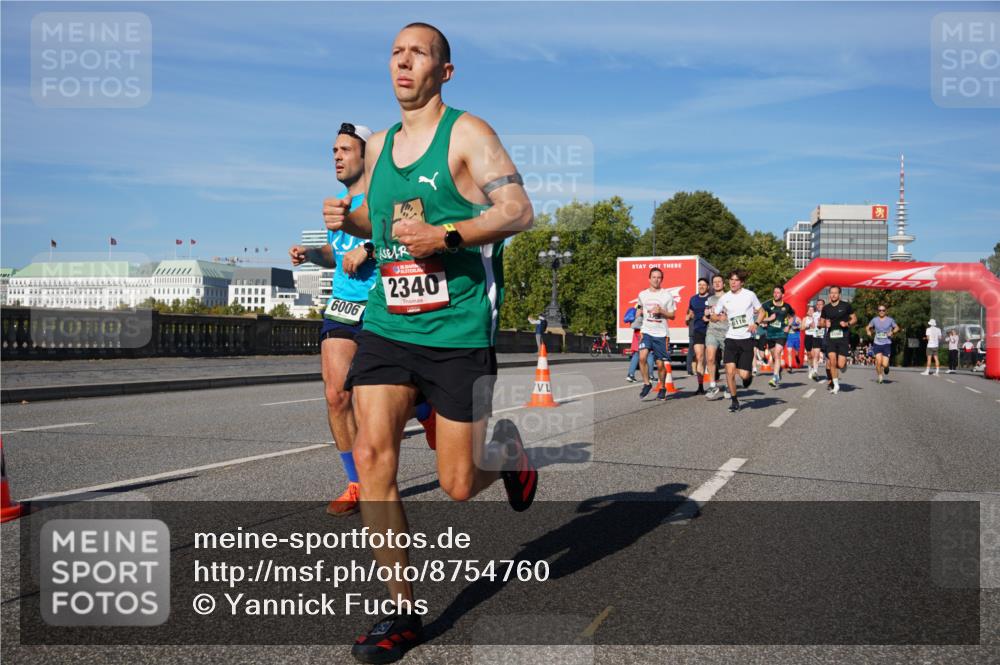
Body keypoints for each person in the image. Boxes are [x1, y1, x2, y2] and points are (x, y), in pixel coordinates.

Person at [322, 23, 536, 664]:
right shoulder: (380, 145)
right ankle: (402, 612)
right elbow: (379, 218)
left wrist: (446, 237)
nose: (403, 62)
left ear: (444, 71)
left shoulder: (467, 134)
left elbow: (519, 211)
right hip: (388, 324)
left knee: (459, 484)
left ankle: (510, 455)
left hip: (458, 332)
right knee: (372, 452)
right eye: (396, 53)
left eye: (419, 53)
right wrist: (348, 219)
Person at [290, 122, 434, 517]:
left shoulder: (388, 193)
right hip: (342, 303)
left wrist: (370, 249)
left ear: (366, 155)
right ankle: (357, 484)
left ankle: (424, 407)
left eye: (344, 150)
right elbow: (337, 254)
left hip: (381, 304)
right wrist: (311, 254)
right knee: (337, 396)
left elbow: (412, 229)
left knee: (378, 402)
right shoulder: (338, 203)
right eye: (333, 150)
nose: (336, 156)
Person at [711, 269, 762, 412]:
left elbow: (762, 311)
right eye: (731, 280)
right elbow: (714, 316)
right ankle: (734, 401)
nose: (733, 282)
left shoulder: (750, 295)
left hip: (746, 339)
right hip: (731, 338)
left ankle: (748, 376)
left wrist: (756, 324)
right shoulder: (724, 298)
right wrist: (718, 317)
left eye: (736, 280)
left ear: (742, 282)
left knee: (744, 374)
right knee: (729, 371)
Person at [636, 267, 676, 400]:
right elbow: (640, 305)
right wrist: (638, 311)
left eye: (659, 277)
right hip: (646, 331)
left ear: (662, 279)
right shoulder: (642, 294)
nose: (656, 279)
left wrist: (661, 312)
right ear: (649, 279)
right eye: (654, 277)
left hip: (661, 333)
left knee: (660, 364)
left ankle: (663, 387)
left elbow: (672, 315)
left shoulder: (667, 295)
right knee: (642, 358)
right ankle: (647, 384)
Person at [820, 286, 856, 394]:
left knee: (840, 364)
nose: (833, 295)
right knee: (832, 360)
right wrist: (824, 324)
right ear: (829, 294)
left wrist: (847, 323)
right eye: (831, 293)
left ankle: (844, 365)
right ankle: (836, 385)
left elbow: (854, 319)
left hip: (843, 337)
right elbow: (820, 323)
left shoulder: (846, 306)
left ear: (839, 294)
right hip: (831, 337)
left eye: (835, 293)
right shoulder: (826, 308)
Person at [758, 285, 796, 389]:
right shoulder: (767, 305)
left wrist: (789, 326)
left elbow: (792, 316)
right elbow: (759, 318)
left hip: (781, 333)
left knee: (777, 353)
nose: (775, 294)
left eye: (778, 292)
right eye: (774, 292)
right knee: (774, 356)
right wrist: (768, 319)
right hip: (770, 333)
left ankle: (774, 378)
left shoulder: (787, 306)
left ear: (782, 294)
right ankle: (778, 371)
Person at [704, 273, 728, 400]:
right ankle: (713, 385)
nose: (717, 283)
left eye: (719, 281)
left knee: (729, 362)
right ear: (712, 285)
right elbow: (707, 315)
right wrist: (706, 314)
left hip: (727, 332)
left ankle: (730, 385)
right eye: (715, 282)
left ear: (724, 284)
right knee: (710, 357)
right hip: (712, 331)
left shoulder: (729, 297)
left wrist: (726, 316)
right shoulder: (710, 299)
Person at [686, 277, 711, 395]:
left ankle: (712, 382)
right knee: (699, 356)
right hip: (698, 330)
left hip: (711, 330)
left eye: (703, 285)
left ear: (708, 287)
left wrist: (709, 318)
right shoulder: (693, 299)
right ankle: (700, 386)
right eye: (699, 284)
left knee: (711, 358)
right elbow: (691, 311)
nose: (701, 286)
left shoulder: (711, 299)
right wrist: (688, 317)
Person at [865, 304, 899, 384]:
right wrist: (868, 331)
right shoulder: (874, 320)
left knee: (884, 363)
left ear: (885, 311)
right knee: (878, 361)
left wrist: (892, 332)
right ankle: (880, 376)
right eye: (880, 310)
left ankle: (886, 367)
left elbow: (897, 327)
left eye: (883, 310)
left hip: (887, 344)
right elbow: (867, 327)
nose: (881, 312)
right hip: (877, 343)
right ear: (878, 311)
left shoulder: (890, 320)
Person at [626, 303, 656, 382]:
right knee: (650, 354)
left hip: (636, 334)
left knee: (636, 354)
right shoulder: (642, 310)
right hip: (643, 334)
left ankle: (630, 375)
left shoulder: (636, 310)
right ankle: (650, 376)